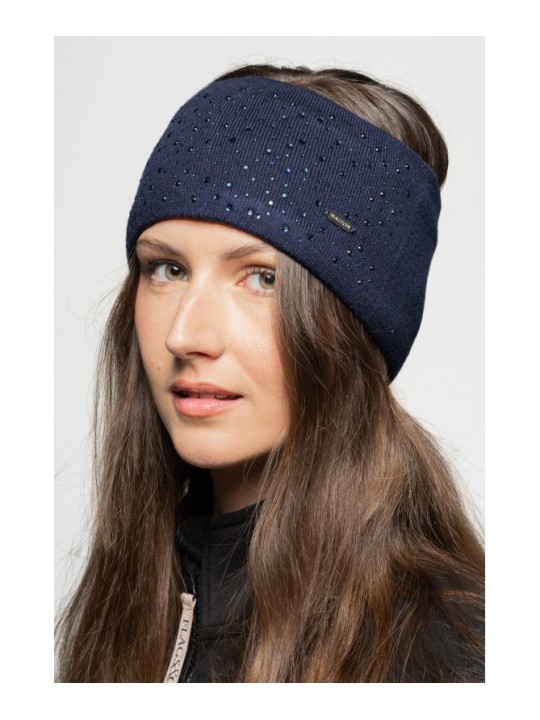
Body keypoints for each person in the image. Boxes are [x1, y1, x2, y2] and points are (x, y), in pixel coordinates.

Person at [56, 63, 485, 683]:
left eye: (261, 279)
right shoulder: (136, 594)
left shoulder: (447, 656)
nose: (185, 335)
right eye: (168, 270)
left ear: (354, 325)